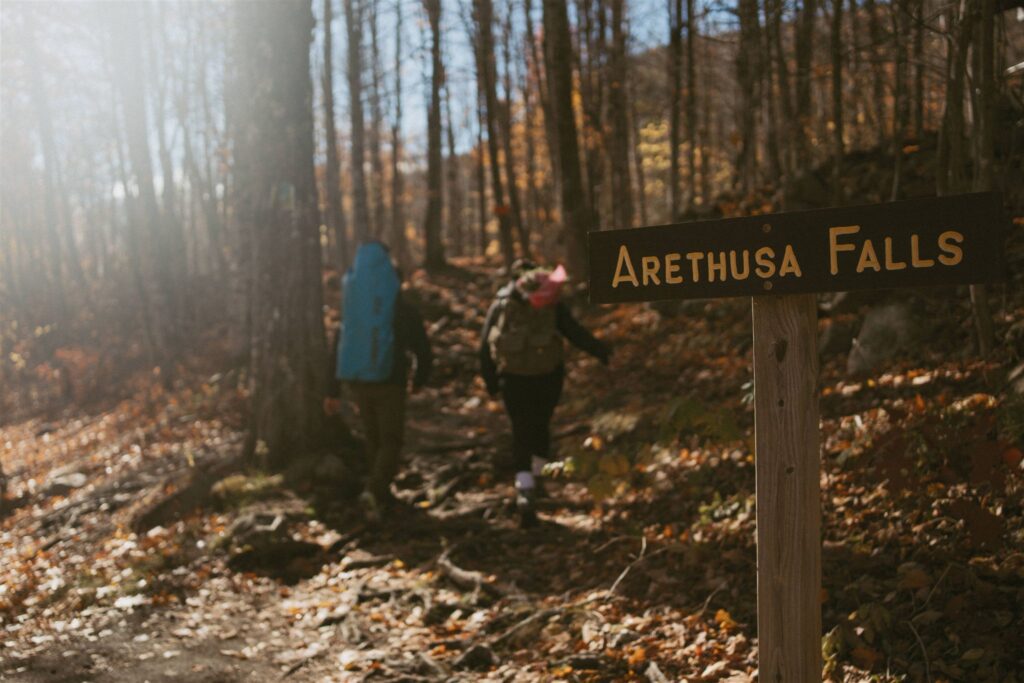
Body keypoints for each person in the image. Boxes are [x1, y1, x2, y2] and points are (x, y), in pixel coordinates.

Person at [479, 259, 610, 527]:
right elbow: (574, 332)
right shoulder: (551, 303)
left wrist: (490, 381)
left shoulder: (502, 303)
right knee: (541, 427)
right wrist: (602, 351)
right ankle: (538, 480)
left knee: (520, 430)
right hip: (548, 377)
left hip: (513, 378)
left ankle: (524, 488)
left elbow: (484, 345)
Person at [325, 242, 432, 522]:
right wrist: (420, 377)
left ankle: (379, 492)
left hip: (357, 381)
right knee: (391, 439)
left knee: (373, 436)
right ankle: (375, 489)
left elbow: (338, 343)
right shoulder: (399, 306)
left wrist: (332, 389)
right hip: (390, 380)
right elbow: (421, 346)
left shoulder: (353, 305)